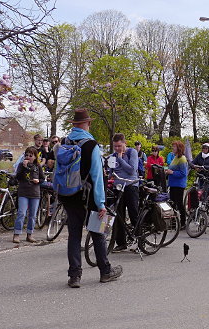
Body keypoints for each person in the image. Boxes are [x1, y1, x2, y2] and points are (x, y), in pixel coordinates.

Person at [59, 109, 121, 288]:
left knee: (74, 235)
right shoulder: (91, 144)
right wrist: (101, 203)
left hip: (69, 195)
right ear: (87, 124)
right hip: (89, 198)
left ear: (73, 124)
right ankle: (105, 271)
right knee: (98, 233)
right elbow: (97, 176)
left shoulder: (65, 142)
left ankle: (74, 276)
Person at [110, 133, 140, 253]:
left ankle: (139, 241)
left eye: (119, 146)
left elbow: (132, 170)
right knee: (118, 215)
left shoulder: (132, 152)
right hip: (118, 187)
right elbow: (111, 170)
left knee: (133, 213)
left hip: (130, 186)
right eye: (115, 146)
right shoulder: (113, 155)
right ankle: (121, 243)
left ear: (124, 143)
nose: (117, 149)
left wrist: (120, 158)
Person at [13, 146, 44, 244]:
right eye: (26, 155)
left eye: (30, 155)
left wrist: (38, 180)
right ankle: (17, 234)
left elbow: (42, 179)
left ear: (35, 157)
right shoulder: (22, 165)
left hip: (35, 193)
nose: (28, 157)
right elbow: (18, 177)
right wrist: (24, 167)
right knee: (21, 213)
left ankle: (29, 234)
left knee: (32, 215)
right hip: (23, 192)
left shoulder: (38, 166)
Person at [166, 141, 189, 227]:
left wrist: (172, 172)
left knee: (179, 204)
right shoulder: (175, 157)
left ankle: (183, 222)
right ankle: (173, 223)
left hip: (179, 185)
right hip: (173, 184)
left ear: (179, 148)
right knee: (172, 203)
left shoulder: (182, 159)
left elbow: (183, 173)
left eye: (174, 147)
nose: (173, 148)